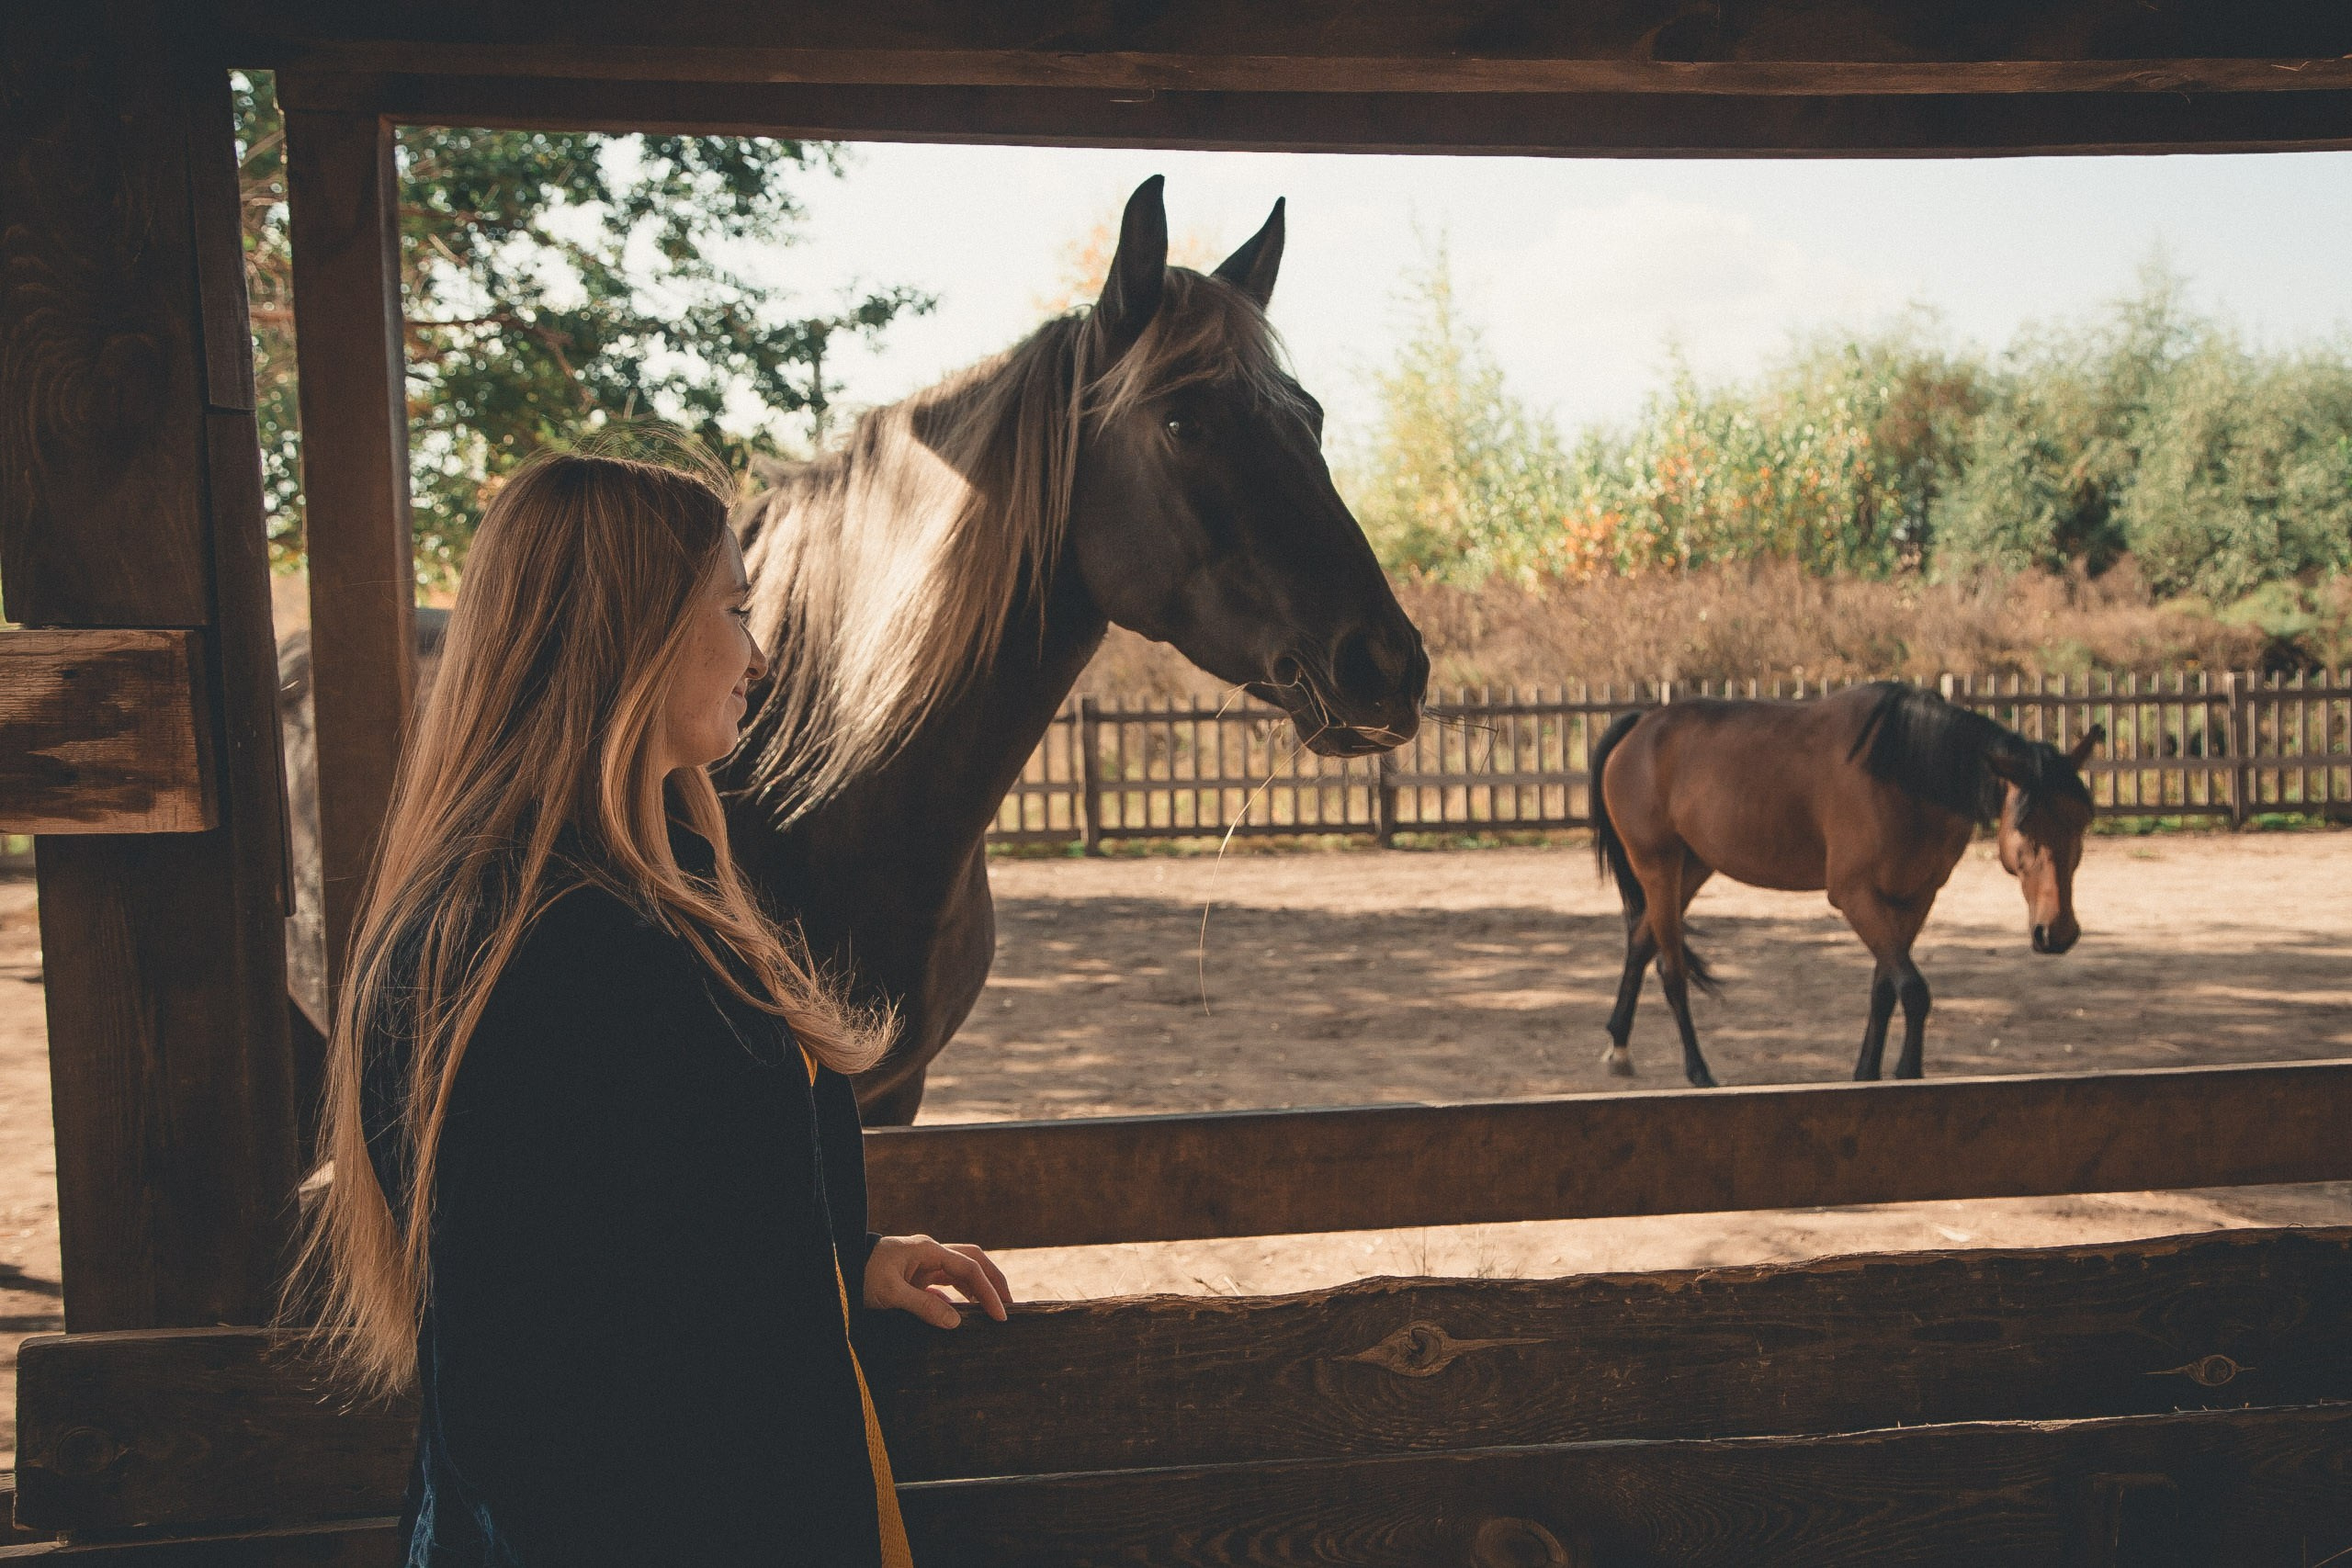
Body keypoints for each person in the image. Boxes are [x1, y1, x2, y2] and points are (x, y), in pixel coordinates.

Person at [290, 449, 1008, 1565]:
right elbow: (525, 1382)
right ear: (624, 634)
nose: (758, 656)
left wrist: (840, 1261)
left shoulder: (653, 895)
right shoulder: (534, 947)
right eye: (732, 609)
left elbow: (648, 1237)